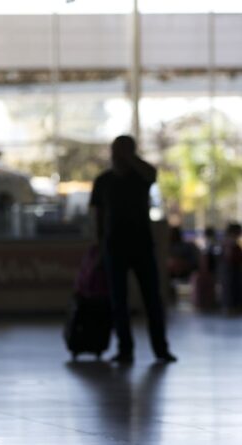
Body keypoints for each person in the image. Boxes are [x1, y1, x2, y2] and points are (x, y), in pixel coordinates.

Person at [89, 135, 176, 365]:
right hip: (113, 247)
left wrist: (131, 158)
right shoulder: (103, 181)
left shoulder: (141, 177)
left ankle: (161, 349)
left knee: (152, 299)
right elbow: (98, 217)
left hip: (141, 246)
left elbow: (152, 174)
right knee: (118, 301)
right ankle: (124, 349)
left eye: (124, 151)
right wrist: (98, 246)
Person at [220, 223, 242, 311]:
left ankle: (232, 305)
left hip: (231, 269)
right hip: (232, 269)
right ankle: (233, 306)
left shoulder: (227, 242)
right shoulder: (231, 243)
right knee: (232, 289)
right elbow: (231, 257)